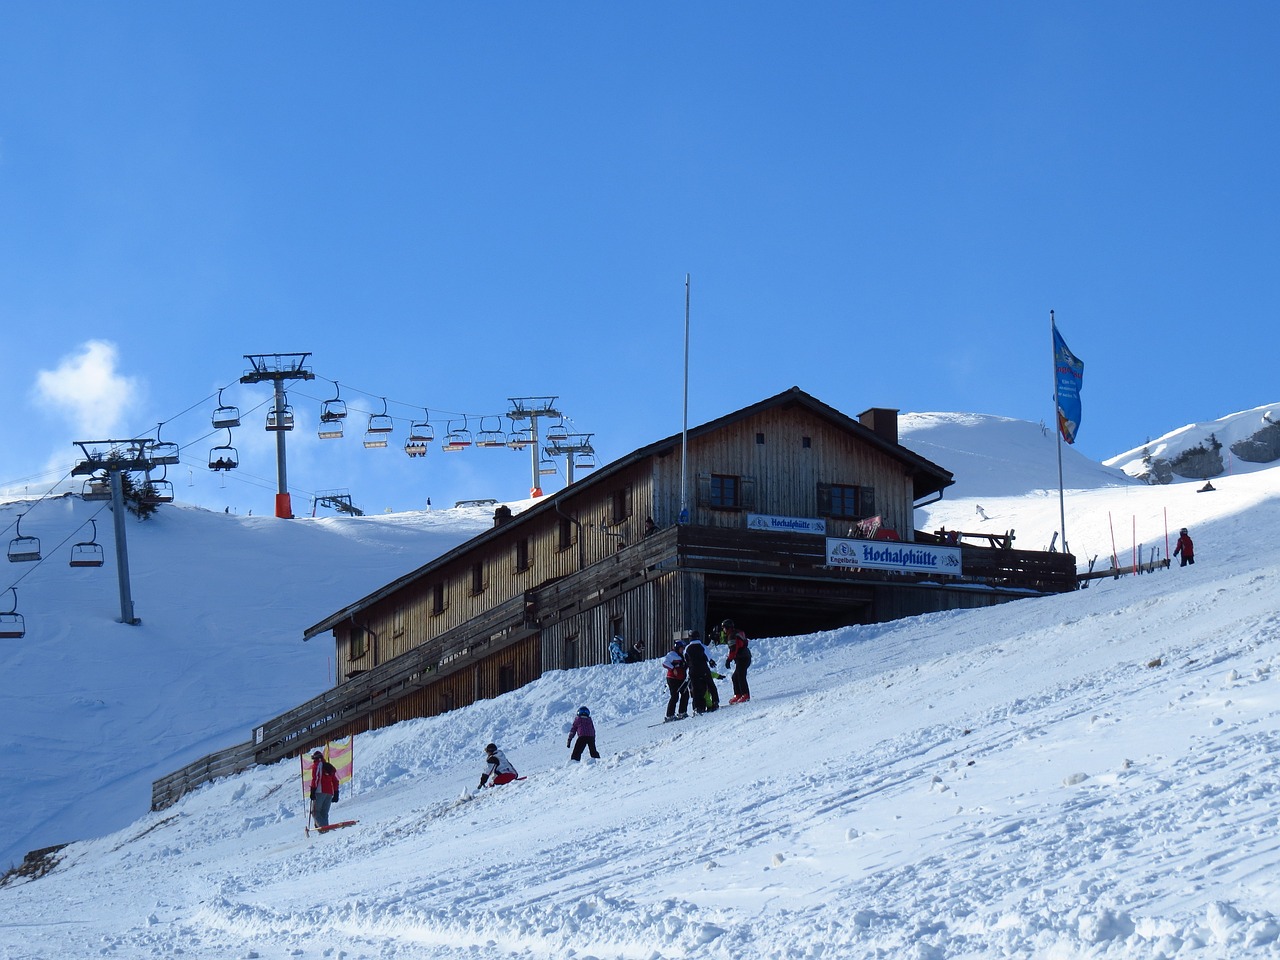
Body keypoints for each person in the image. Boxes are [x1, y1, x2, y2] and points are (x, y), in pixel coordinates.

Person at [683, 630, 717, 714]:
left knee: (695, 689)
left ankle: (697, 707)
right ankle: (715, 702)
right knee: (710, 685)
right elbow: (708, 657)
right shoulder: (702, 646)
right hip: (703, 669)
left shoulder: (687, 648)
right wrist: (711, 661)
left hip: (693, 670)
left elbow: (686, 659)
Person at [309, 750, 340, 828]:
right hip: (329, 792)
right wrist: (336, 793)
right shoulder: (328, 766)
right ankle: (325, 832)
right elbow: (335, 781)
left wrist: (313, 790)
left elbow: (316, 778)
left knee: (315, 812)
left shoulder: (317, 765)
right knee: (324, 813)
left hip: (320, 791)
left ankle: (324, 829)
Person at [723, 619, 752, 704]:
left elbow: (733, 649)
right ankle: (738, 694)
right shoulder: (737, 632)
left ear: (728, 628)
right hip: (744, 657)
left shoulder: (731, 636)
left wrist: (729, 660)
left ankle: (745, 695)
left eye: (724, 628)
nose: (723, 630)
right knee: (735, 677)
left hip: (742, 658)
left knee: (740, 676)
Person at [661, 639, 689, 721]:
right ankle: (670, 715)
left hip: (681, 679)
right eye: (681, 648)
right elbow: (665, 663)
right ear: (677, 648)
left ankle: (682, 712)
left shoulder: (682, 655)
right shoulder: (671, 654)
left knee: (685, 694)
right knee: (675, 696)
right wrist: (673, 668)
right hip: (673, 679)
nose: (683, 649)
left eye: (683, 648)